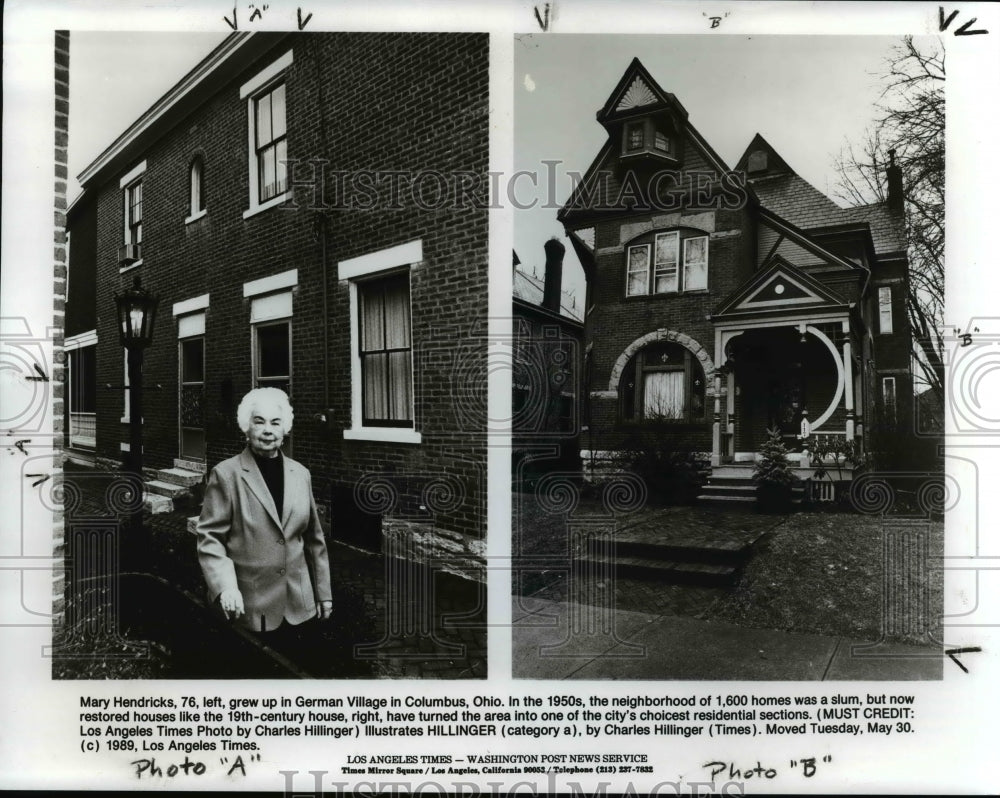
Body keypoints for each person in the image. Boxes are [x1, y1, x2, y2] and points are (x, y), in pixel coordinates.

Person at [196, 387, 332, 635]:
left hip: (299, 606)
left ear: (285, 430)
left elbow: (314, 540)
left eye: (276, 423)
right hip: (250, 606)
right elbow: (210, 538)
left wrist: (324, 593)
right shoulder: (226, 475)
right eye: (259, 422)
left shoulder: (301, 474)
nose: (268, 430)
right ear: (246, 428)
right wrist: (225, 587)